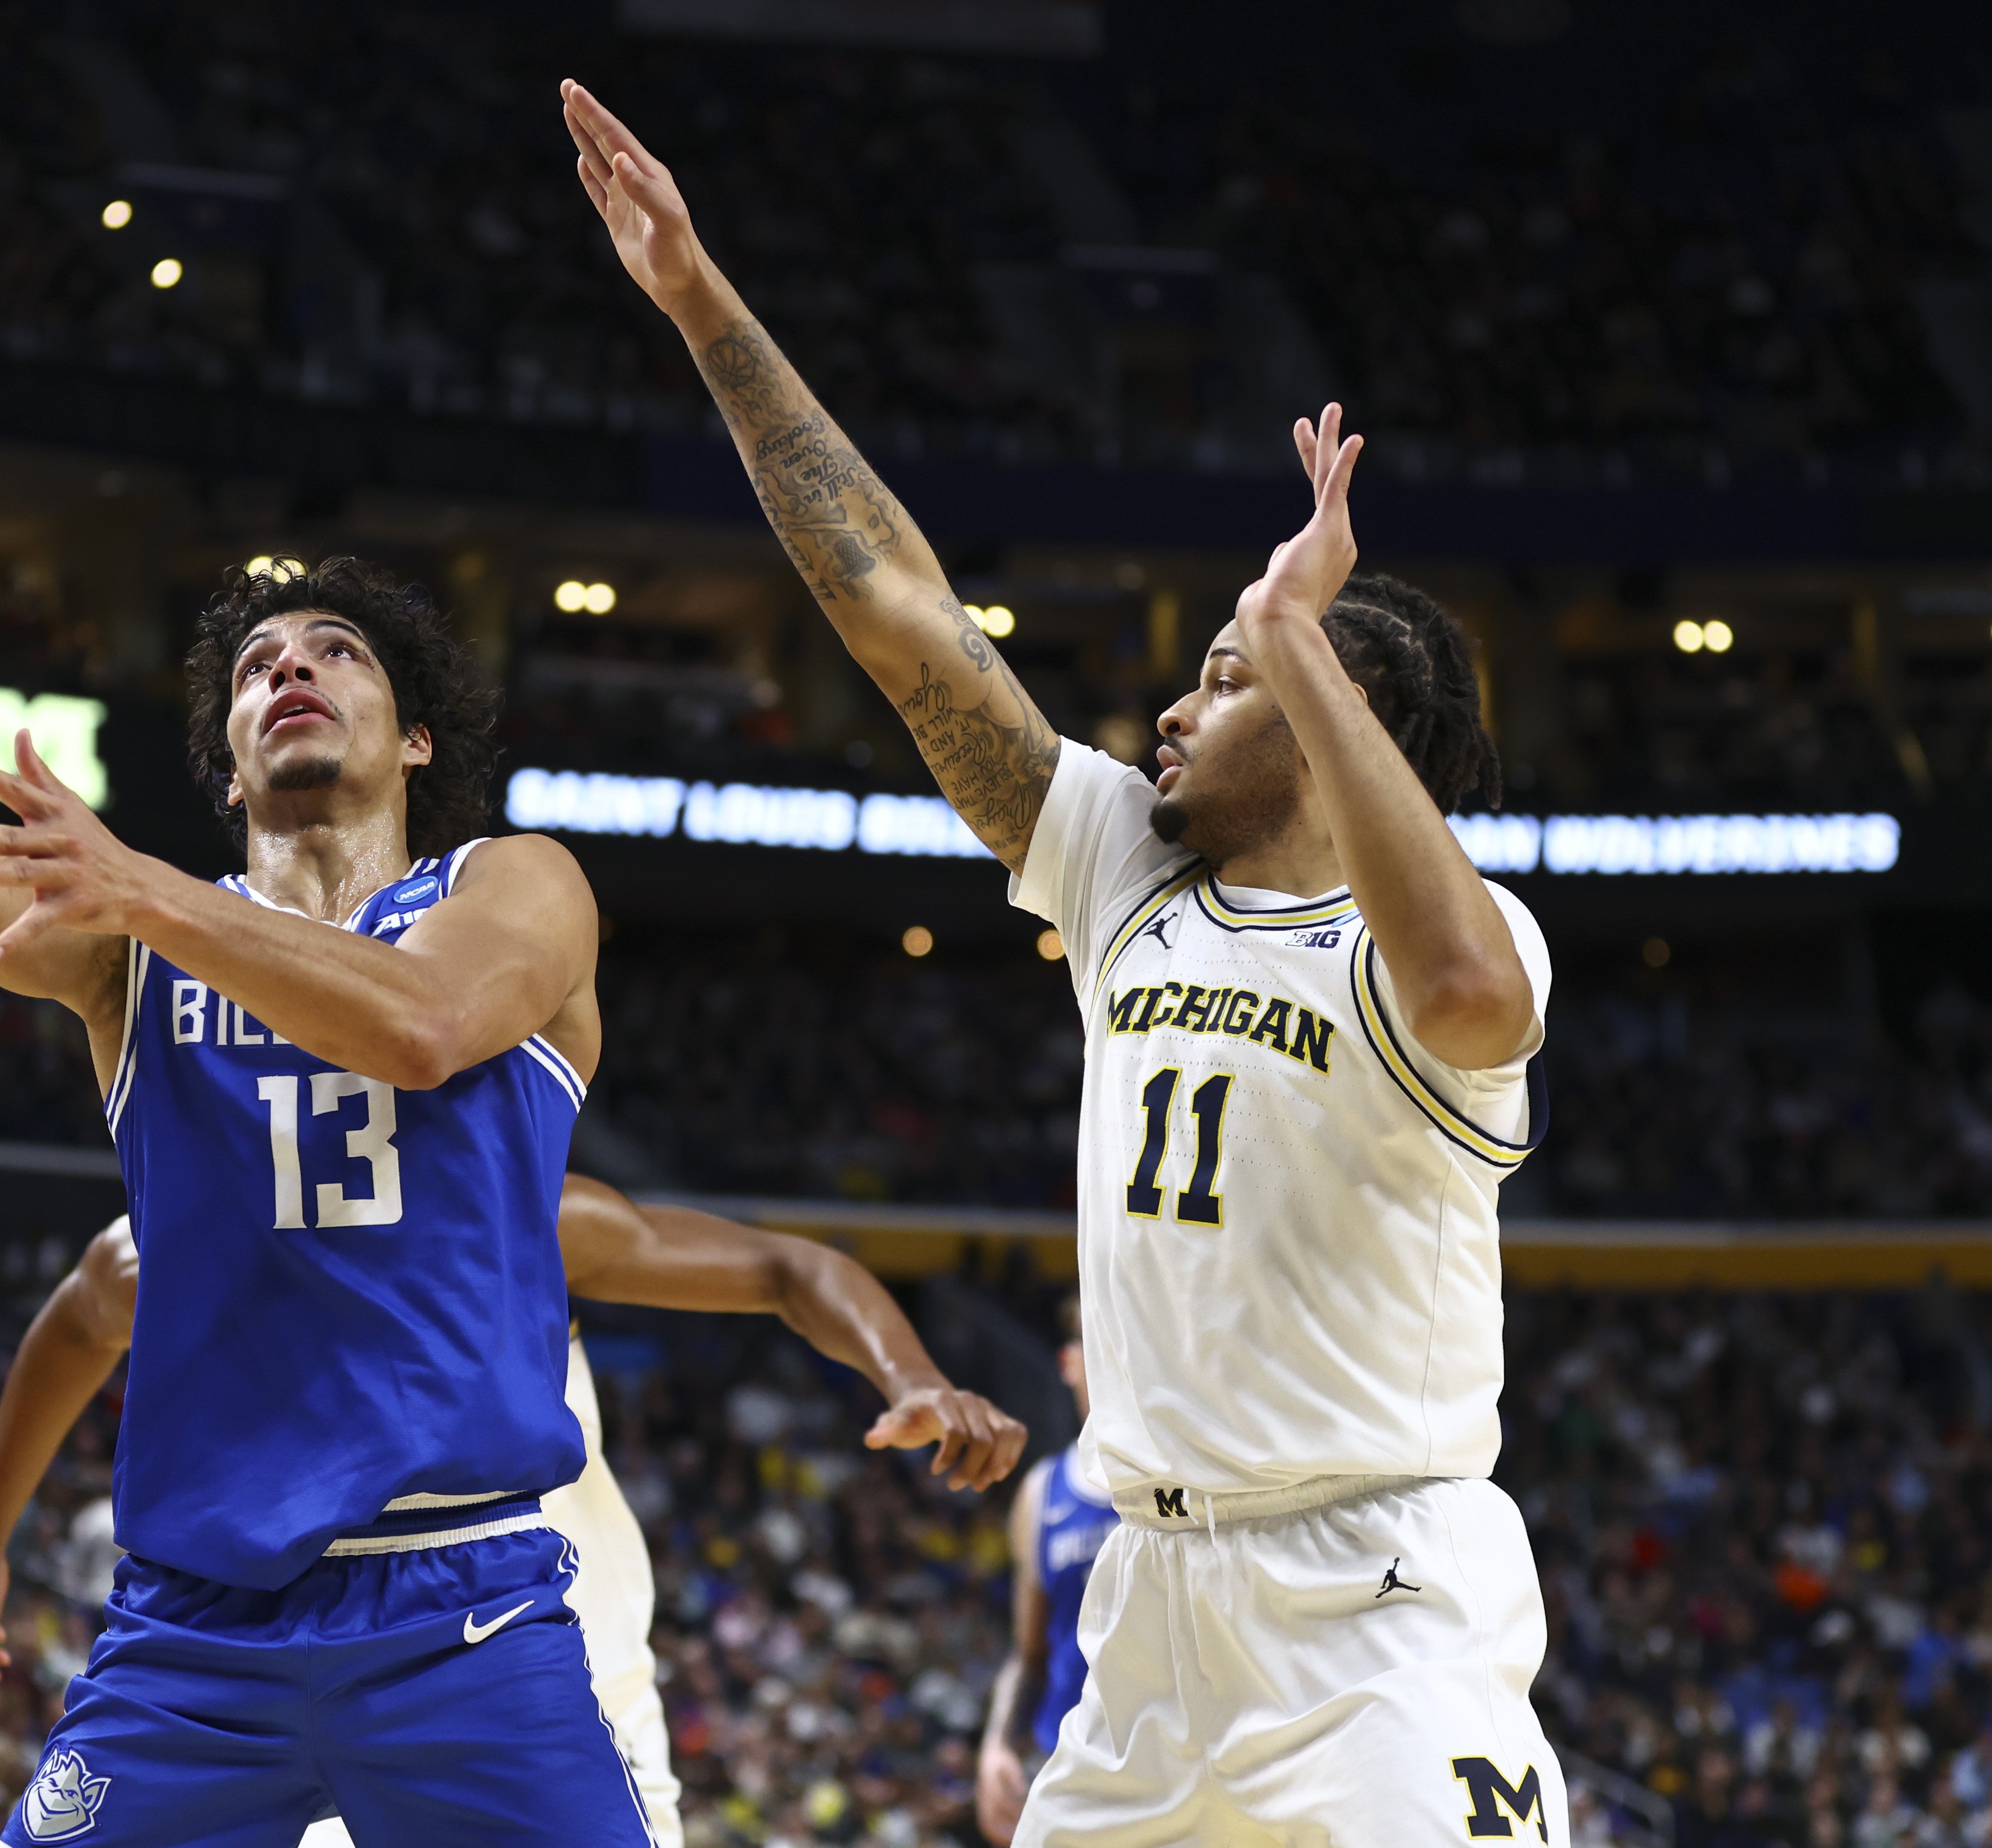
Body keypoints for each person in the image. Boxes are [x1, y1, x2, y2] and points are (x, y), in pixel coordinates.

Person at [563, 79, 1563, 1846]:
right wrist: (704, 307)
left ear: (1353, 716)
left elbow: (1474, 999)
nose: (1175, 707)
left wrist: (1294, 636)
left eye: (1224, 677)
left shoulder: (1437, 942)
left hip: (1379, 1600)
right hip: (1154, 1609)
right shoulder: (1123, 870)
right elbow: (899, 616)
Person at [0, 388, 638, 1843]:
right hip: (195, 1633)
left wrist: (141, 882)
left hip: (458, 1606)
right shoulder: (130, 945)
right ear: (225, 768)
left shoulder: (510, 884)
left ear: (413, 743)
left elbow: (422, 1024)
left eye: (335, 651)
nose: (291, 668)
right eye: (258, 663)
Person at [0, 1185, 1027, 1848]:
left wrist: (909, 1372)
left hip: (557, 1691)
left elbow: (790, 1267)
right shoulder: (190, 1236)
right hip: (300, 1685)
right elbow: (72, 1324)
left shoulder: (514, 1214)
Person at [974, 1300, 1114, 1844]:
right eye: (1089, 1340)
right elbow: (1027, 1654)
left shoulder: (1184, 1479)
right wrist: (995, 1745)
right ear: (1066, 1362)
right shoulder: (1041, 1490)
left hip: (1171, 1755)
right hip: (1066, 1762)